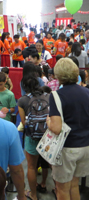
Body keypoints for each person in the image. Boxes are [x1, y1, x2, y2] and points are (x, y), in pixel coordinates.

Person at [47, 58, 89, 200]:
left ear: (57, 75)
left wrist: (48, 121)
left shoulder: (57, 95)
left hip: (67, 148)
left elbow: (56, 128)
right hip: (85, 146)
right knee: (74, 185)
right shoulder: (86, 92)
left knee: (62, 188)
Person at [18, 62, 50, 200]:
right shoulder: (48, 96)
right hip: (47, 136)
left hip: (32, 136)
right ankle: (43, 183)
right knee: (45, 164)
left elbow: (24, 122)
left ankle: (33, 194)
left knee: (31, 166)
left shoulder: (22, 100)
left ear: (24, 86)